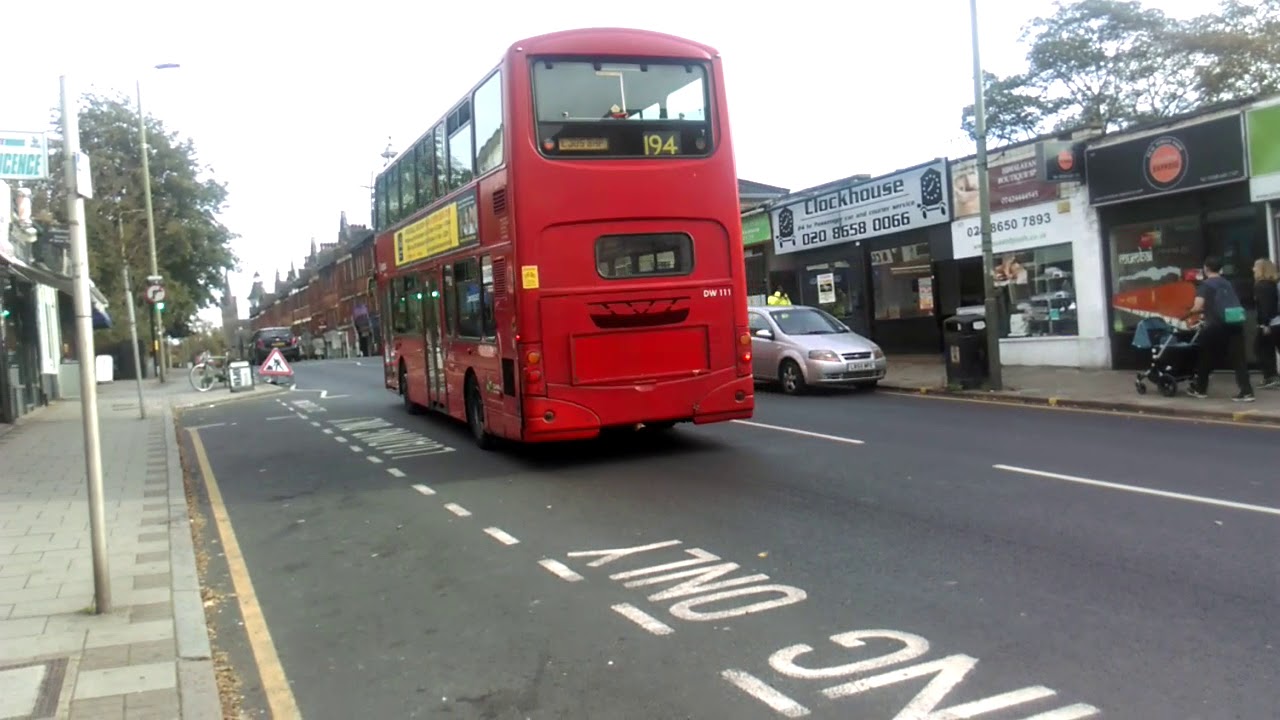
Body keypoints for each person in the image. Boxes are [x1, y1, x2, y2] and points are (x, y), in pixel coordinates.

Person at [1184, 256, 1254, 402]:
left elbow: (1198, 306)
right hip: (1235, 322)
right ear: (1220, 269)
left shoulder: (1206, 285)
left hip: (1216, 326)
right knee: (1239, 360)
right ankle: (1247, 392)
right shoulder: (1228, 283)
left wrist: (1188, 313)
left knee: (1205, 357)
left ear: (1206, 268)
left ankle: (1200, 389)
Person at [1254, 258, 1280, 389]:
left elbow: (1265, 307)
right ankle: (1271, 376)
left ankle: (1270, 376)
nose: (1253, 269)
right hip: (1276, 322)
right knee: (1268, 349)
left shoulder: (1261, 285)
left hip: (1270, 324)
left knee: (1260, 349)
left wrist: (1264, 324)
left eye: (1255, 267)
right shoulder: (1273, 284)